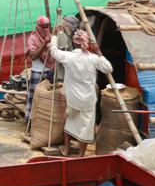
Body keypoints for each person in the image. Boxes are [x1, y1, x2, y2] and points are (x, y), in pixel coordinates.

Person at [48, 28, 112, 157]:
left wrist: (54, 36)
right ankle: (81, 154)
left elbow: (54, 51)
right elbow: (108, 68)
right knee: (86, 127)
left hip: (72, 99)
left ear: (74, 42)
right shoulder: (93, 58)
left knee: (69, 121)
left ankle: (66, 149)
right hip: (88, 100)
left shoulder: (68, 57)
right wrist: (98, 51)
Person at [25, 16, 54, 125]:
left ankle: (43, 123)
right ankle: (30, 122)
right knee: (33, 98)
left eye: (47, 26)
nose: (46, 29)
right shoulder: (33, 38)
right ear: (38, 27)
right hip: (37, 72)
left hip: (50, 71)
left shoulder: (51, 36)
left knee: (47, 99)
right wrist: (44, 44)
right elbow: (33, 56)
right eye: (43, 27)